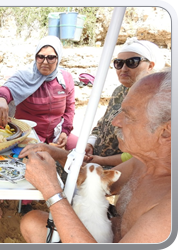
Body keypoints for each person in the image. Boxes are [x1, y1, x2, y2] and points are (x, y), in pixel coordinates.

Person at [18, 69, 171, 243]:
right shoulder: (144, 161)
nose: (115, 121)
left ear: (167, 131)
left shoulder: (168, 209)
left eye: (129, 116)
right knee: (32, 222)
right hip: (106, 236)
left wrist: (51, 190)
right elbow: (96, 183)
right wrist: (57, 153)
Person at [84, 37, 165, 168]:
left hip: (121, 169)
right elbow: (102, 123)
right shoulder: (120, 91)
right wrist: (90, 143)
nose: (123, 69)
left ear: (150, 65)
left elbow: (141, 154)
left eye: (132, 62)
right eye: (119, 63)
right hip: (96, 158)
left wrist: (100, 161)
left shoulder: (155, 100)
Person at [0, 35, 76, 150]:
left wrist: (65, 132)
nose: (45, 62)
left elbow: (70, 109)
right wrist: (0, 99)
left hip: (57, 134)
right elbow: (6, 89)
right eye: (40, 57)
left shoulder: (65, 79)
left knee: (81, 151)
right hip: (29, 133)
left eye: (51, 58)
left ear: (58, 58)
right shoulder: (25, 76)